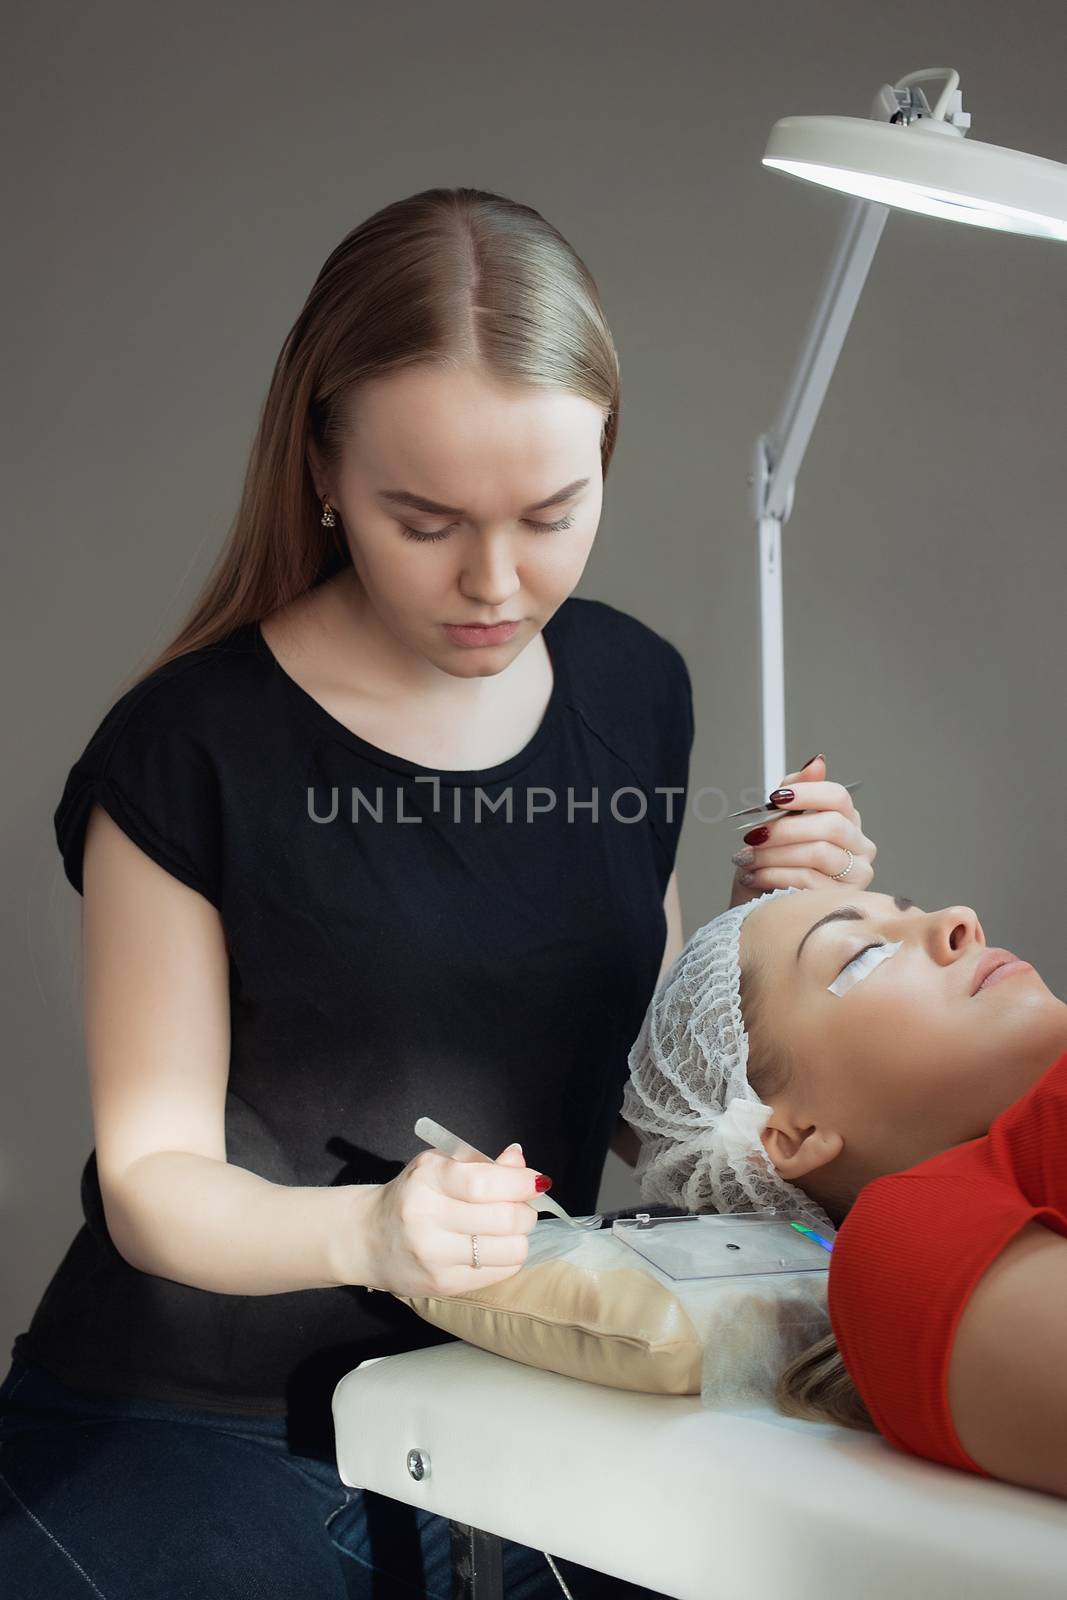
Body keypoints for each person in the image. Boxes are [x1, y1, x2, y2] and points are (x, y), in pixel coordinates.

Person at [1, 186, 875, 1598]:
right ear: (324, 473)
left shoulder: (631, 689)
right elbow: (152, 1183)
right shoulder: (186, 751)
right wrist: (367, 1230)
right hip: (198, 1420)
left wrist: (768, 921)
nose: (493, 581)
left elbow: (643, 1109)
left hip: (511, 1404)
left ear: (604, 459)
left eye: (550, 514)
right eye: (425, 521)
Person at [622, 882, 1067, 1501]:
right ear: (791, 1133)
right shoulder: (903, 1244)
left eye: (913, 910)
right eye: (862, 955)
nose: (961, 918)